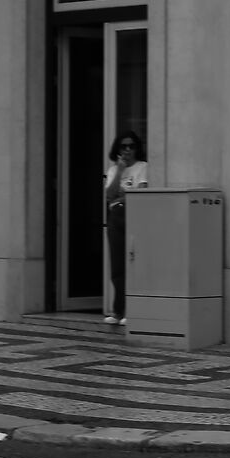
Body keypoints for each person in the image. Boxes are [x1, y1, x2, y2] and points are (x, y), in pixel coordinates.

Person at [103, 132, 149, 325]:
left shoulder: (143, 167)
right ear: (118, 149)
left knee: (134, 263)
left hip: (135, 215)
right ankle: (118, 311)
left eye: (131, 146)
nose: (128, 150)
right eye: (124, 146)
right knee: (117, 265)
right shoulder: (114, 170)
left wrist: (121, 197)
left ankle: (134, 310)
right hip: (116, 217)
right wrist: (121, 172)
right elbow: (109, 196)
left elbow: (142, 193)